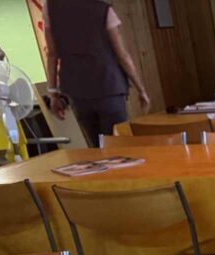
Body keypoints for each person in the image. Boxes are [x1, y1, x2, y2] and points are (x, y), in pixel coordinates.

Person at [42, 0, 150, 147]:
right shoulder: (103, 9)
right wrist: (141, 90)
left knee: (97, 148)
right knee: (120, 147)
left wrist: (53, 94)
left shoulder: (50, 8)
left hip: (77, 91)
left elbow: (52, 54)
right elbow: (122, 56)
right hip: (109, 87)